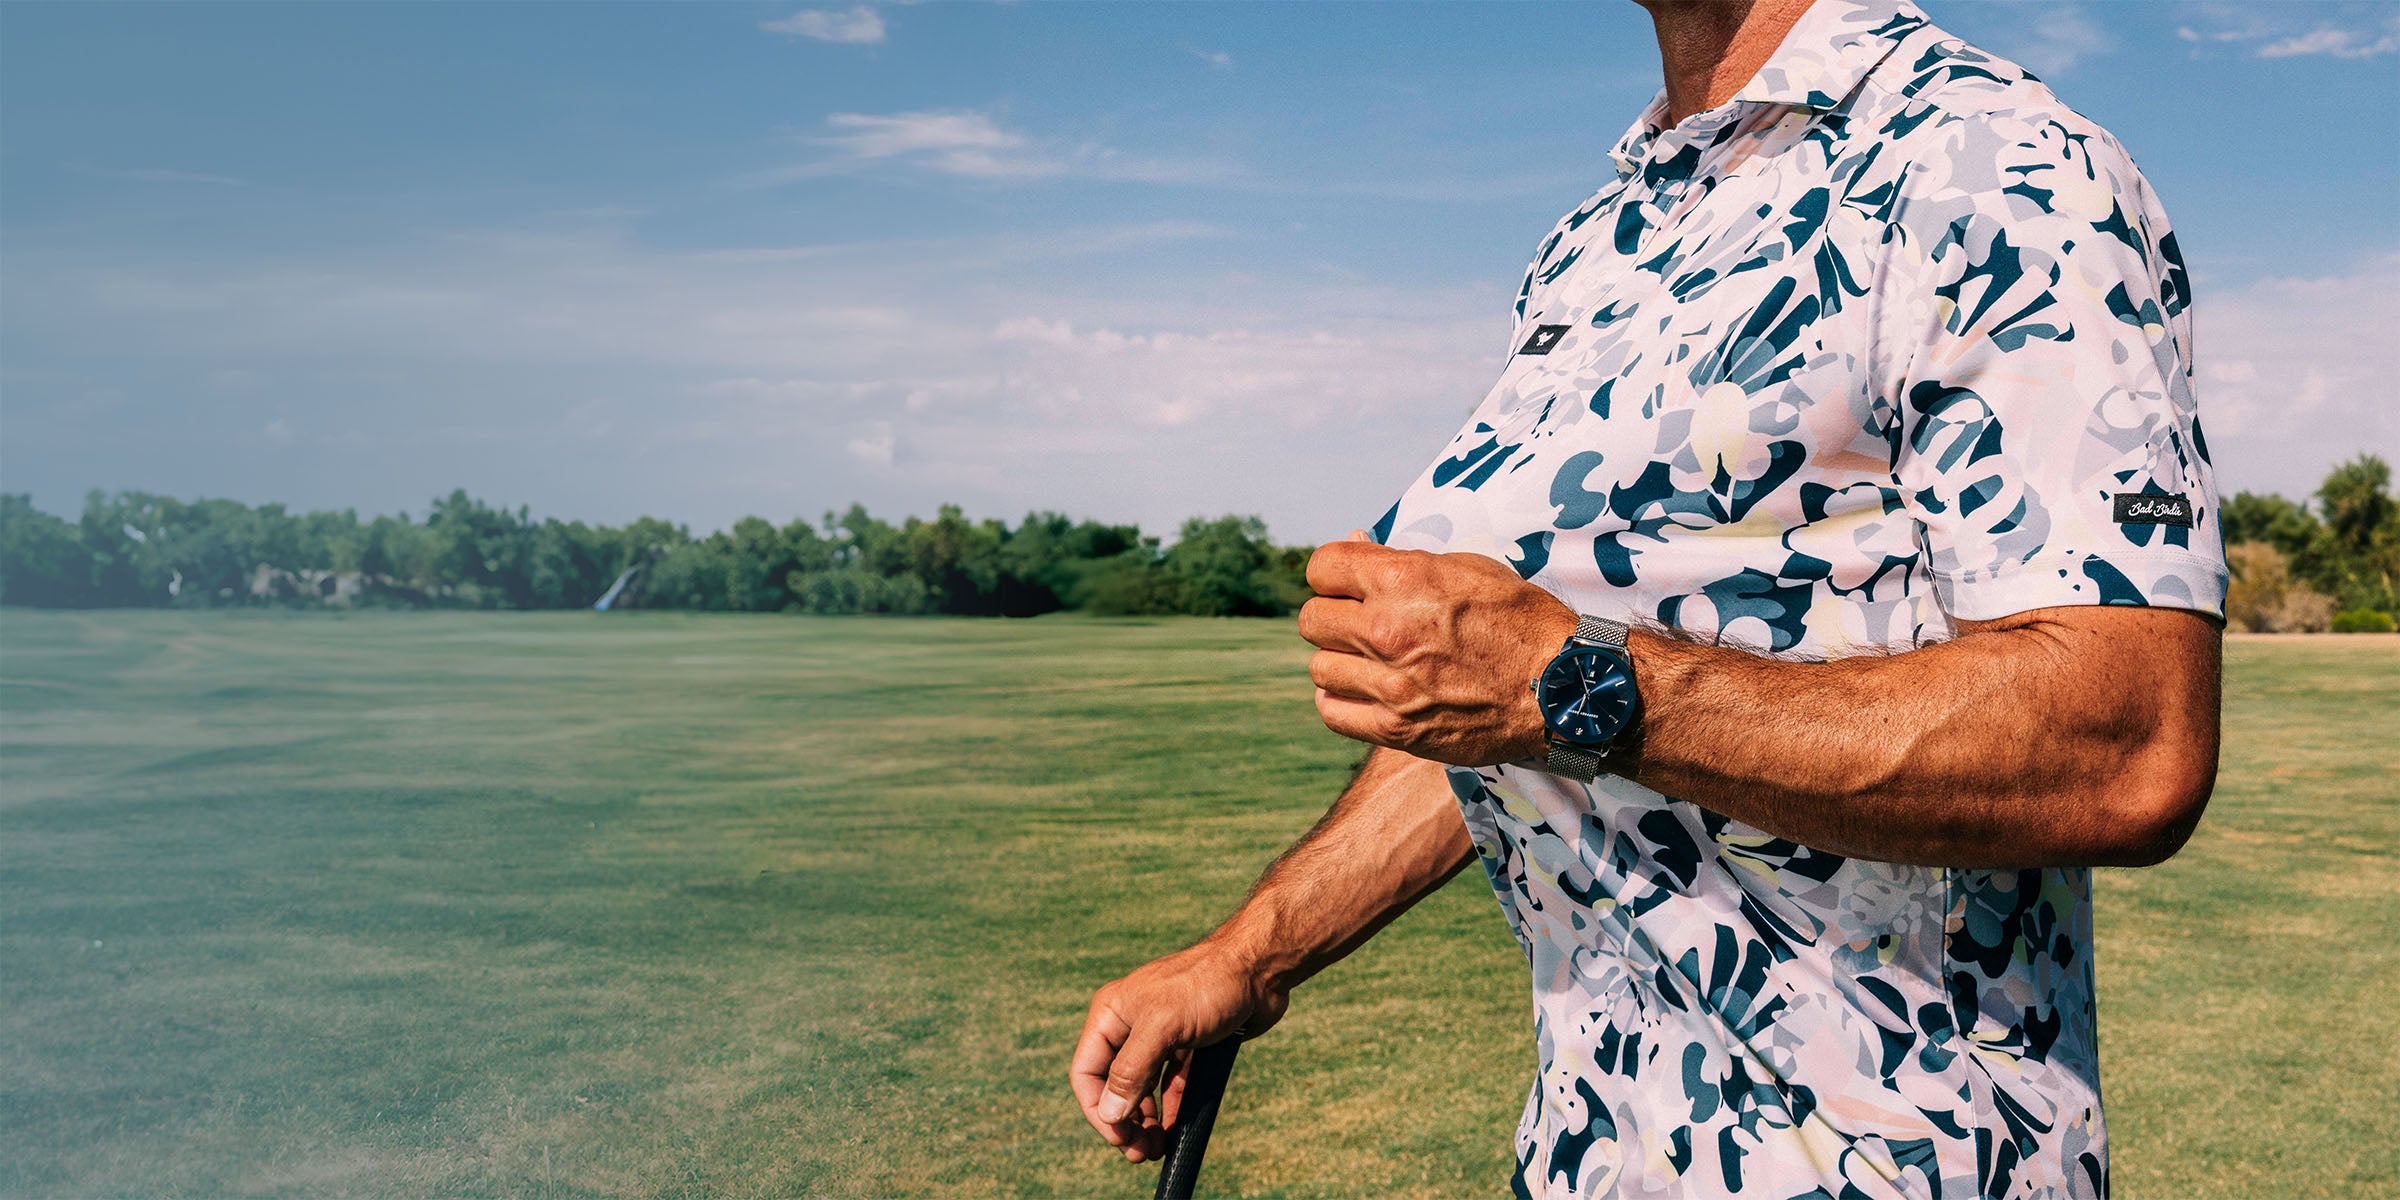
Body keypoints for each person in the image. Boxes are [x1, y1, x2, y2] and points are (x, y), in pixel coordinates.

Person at [1070, 0, 2225, 1195]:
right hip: (1589, 1157)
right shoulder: (1600, 238)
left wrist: (1569, 684)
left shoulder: (1997, 164)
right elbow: (1513, 703)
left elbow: (2128, 743)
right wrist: (1253, 953)